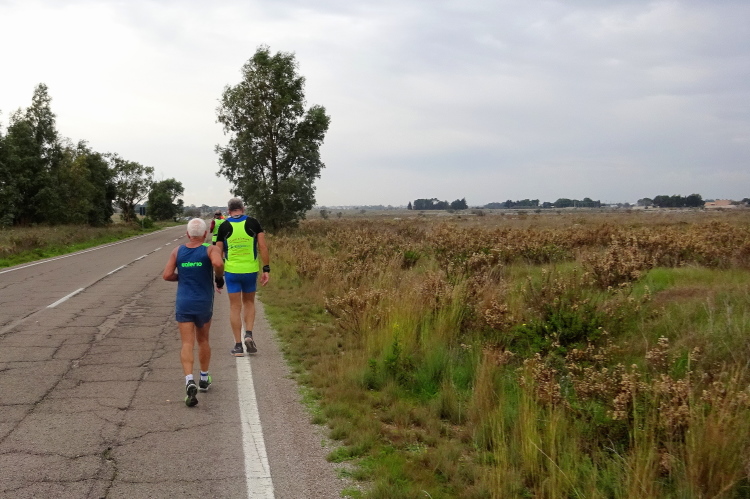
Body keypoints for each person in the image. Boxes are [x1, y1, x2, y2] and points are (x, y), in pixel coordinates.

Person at [163, 218, 225, 407]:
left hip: (184, 302)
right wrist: (219, 279)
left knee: (187, 343)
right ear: (205, 234)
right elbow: (218, 263)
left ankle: (189, 380)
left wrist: (183, 276)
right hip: (203, 302)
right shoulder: (210, 249)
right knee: (203, 340)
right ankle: (204, 378)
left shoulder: (178, 251)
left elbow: (167, 275)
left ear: (188, 234)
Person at [215, 197, 270, 356]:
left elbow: (218, 253)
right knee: (249, 302)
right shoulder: (254, 223)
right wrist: (266, 269)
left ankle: (238, 346)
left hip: (232, 271)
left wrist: (218, 278)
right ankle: (249, 335)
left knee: (235, 306)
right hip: (250, 270)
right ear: (243, 209)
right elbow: (262, 247)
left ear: (228, 211)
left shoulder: (223, 226)